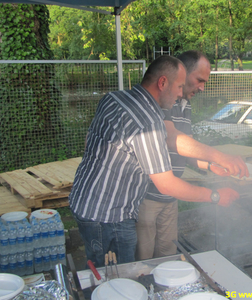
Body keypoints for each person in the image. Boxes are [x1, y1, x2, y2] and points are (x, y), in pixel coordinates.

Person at [69, 55, 240, 267]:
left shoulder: (113, 98)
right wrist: (214, 196)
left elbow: (89, 142)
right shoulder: (148, 122)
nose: (180, 93)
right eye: (178, 86)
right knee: (118, 279)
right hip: (109, 217)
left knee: (100, 270)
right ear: (162, 83)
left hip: (83, 203)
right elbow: (166, 184)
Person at [136, 51, 249, 261]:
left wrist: (210, 165)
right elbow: (172, 138)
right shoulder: (162, 100)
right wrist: (221, 156)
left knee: (168, 257)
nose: (202, 87)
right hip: (147, 197)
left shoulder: (185, 105)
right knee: (143, 261)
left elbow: (185, 150)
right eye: (199, 80)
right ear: (182, 73)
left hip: (173, 195)